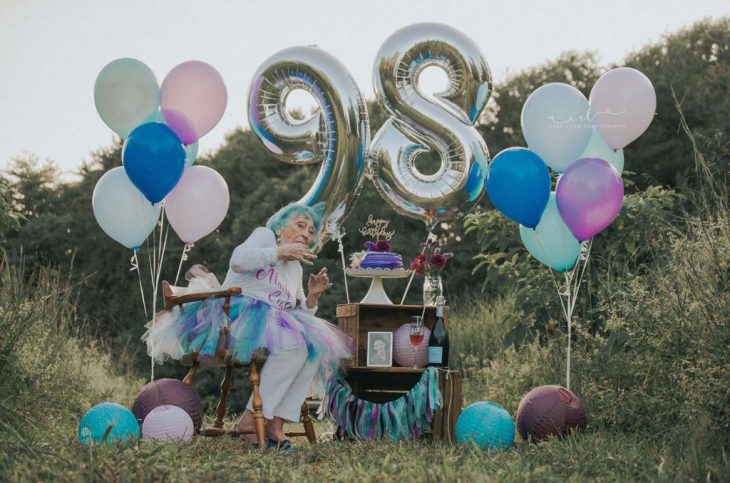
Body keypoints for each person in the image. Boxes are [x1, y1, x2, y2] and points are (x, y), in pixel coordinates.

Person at [143, 202, 352, 448]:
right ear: (279, 227)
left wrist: (312, 296)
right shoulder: (264, 237)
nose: (307, 233)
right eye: (300, 225)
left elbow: (296, 313)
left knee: (312, 350)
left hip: (275, 328)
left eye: (311, 230)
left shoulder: (295, 268)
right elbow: (238, 261)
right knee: (295, 343)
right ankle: (250, 419)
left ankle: (275, 422)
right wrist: (279, 252)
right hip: (236, 323)